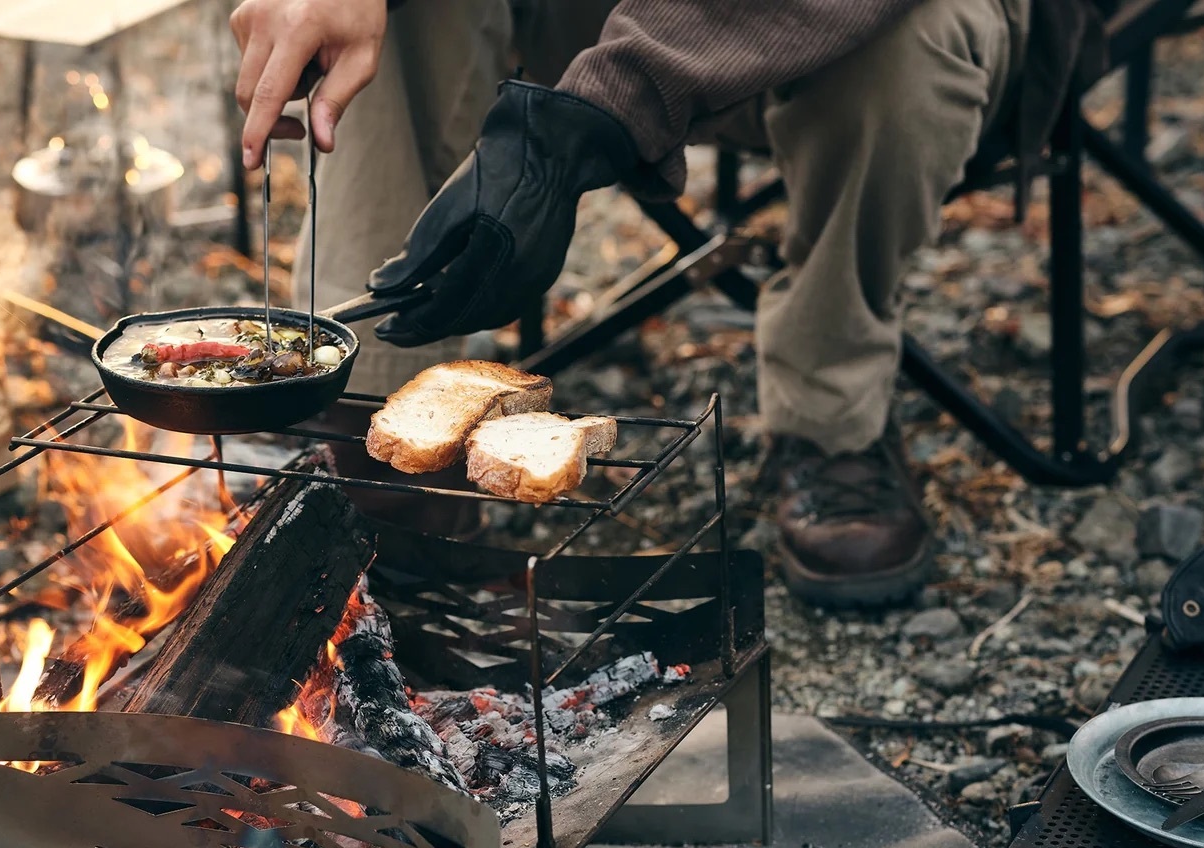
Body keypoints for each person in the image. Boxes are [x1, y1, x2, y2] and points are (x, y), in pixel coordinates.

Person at [227, 0, 1102, 608]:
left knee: (905, 55)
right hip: (613, 17)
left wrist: (597, 115)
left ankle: (832, 417)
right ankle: (386, 415)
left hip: (874, 31)